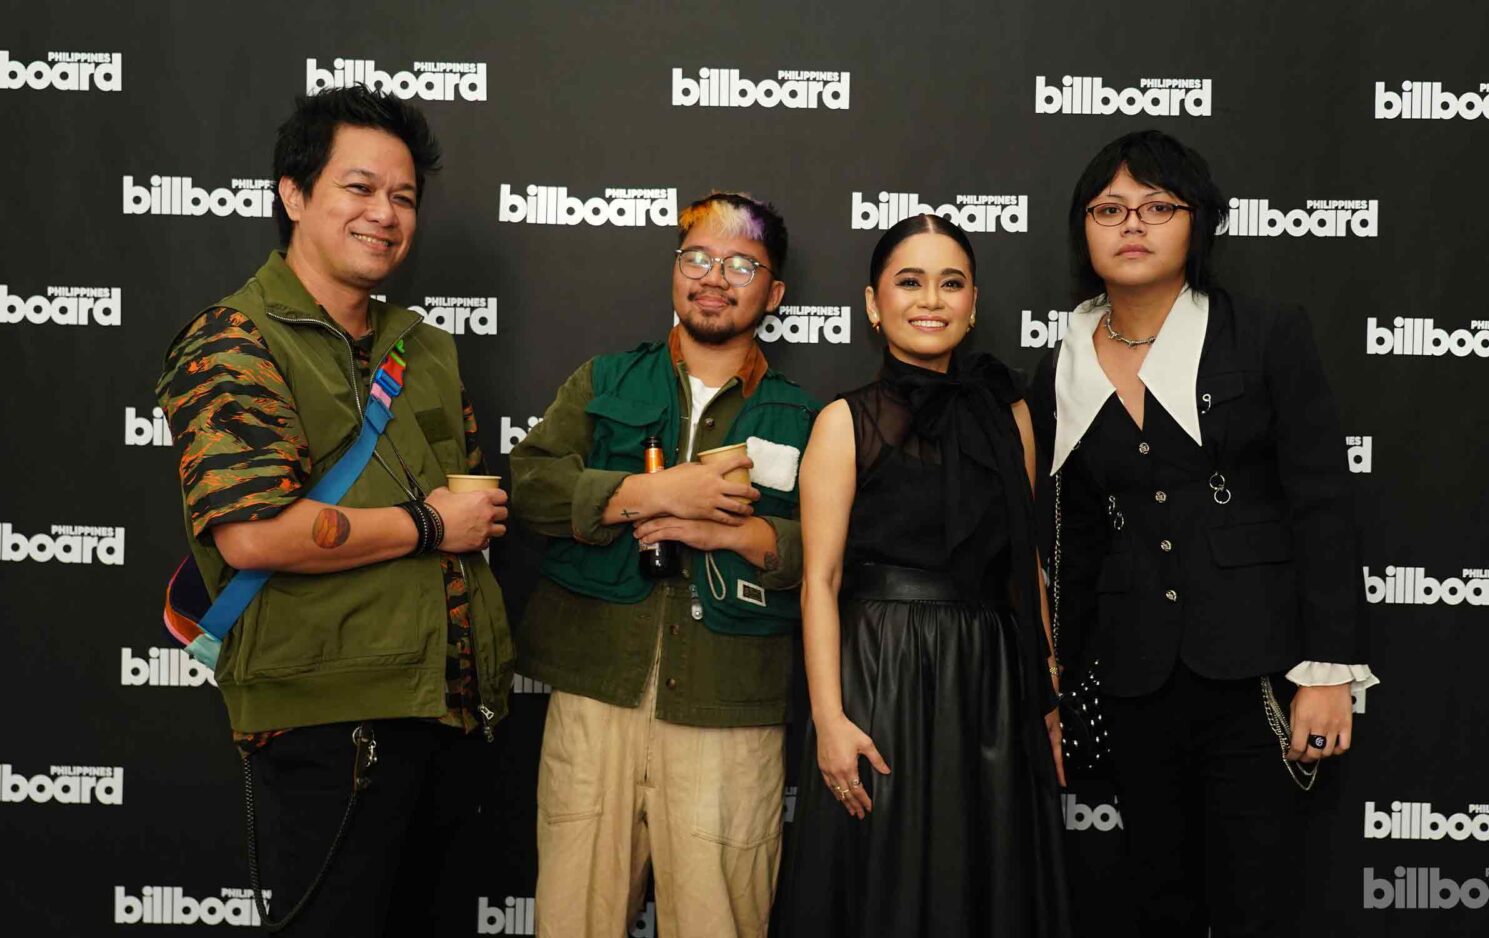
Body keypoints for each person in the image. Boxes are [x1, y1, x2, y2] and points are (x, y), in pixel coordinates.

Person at [153, 87, 514, 936]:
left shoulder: (422, 345)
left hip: (450, 716)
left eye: (403, 197)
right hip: (330, 727)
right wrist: (429, 525)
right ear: (294, 195)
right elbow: (250, 536)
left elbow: (462, 493)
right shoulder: (235, 339)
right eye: (358, 188)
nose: (384, 214)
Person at [1028, 129, 1379, 936]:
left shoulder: (1263, 333)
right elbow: (1069, 541)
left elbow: (1322, 504)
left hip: (1256, 671)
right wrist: (1055, 687)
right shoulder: (1062, 363)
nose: (1132, 224)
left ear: (1198, 222)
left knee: (1260, 902)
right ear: (1083, 229)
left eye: (1158, 206)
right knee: (1155, 902)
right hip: (1132, 676)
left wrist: (1326, 672)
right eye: (1109, 208)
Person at [509, 192, 819, 938]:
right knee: (572, 921)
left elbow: (831, 554)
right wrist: (645, 494)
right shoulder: (606, 381)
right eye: (698, 258)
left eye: (741, 263)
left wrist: (741, 536)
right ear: (674, 274)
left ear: (773, 293)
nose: (716, 276)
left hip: (729, 709)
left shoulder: (806, 415)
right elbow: (532, 488)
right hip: (597, 698)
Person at [774, 214, 1070, 937]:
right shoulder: (844, 422)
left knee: (984, 883)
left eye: (951, 283)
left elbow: (1026, 564)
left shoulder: (1014, 417)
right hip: (881, 674)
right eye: (909, 281)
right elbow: (820, 580)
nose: (930, 299)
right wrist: (829, 720)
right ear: (874, 304)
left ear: (972, 304)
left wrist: (1048, 695)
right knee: (880, 881)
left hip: (990, 682)